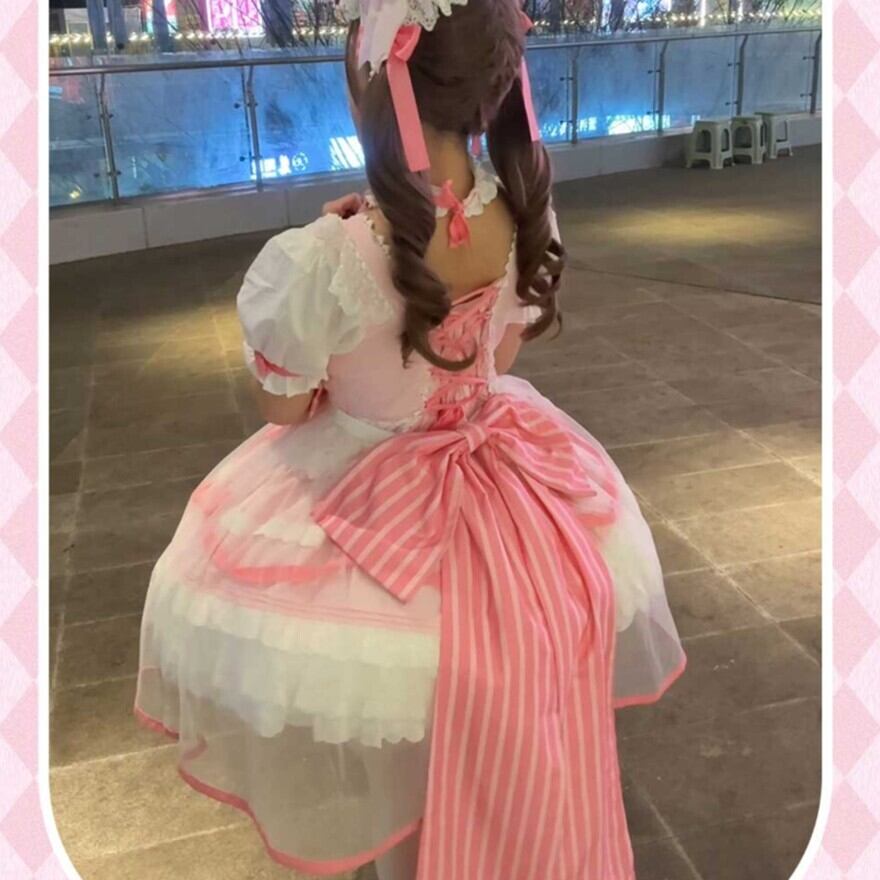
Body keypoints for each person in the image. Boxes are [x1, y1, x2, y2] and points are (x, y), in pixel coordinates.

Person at [134, 1, 686, 877]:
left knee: (397, 720)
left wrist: (337, 322)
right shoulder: (525, 213)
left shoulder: (328, 253)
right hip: (510, 487)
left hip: (374, 511)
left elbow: (283, 408)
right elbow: (499, 356)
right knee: (502, 689)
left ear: (373, 81)